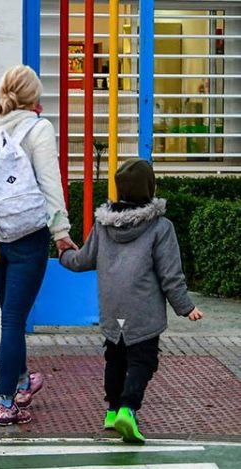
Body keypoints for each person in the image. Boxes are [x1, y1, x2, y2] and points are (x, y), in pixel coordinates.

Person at [59, 159, 204, 443]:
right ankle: (128, 407)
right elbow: (170, 275)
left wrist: (64, 255)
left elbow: (84, 260)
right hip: (143, 310)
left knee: (115, 357)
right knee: (143, 360)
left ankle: (112, 412)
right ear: (150, 188)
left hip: (112, 307)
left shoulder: (103, 225)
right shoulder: (161, 228)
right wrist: (186, 307)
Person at [0, 64, 76, 426]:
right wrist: (61, 233)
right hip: (28, 238)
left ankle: (24, 381)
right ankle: (5, 402)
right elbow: (50, 185)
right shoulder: (39, 129)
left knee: (11, 317)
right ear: (34, 97)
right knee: (13, 320)